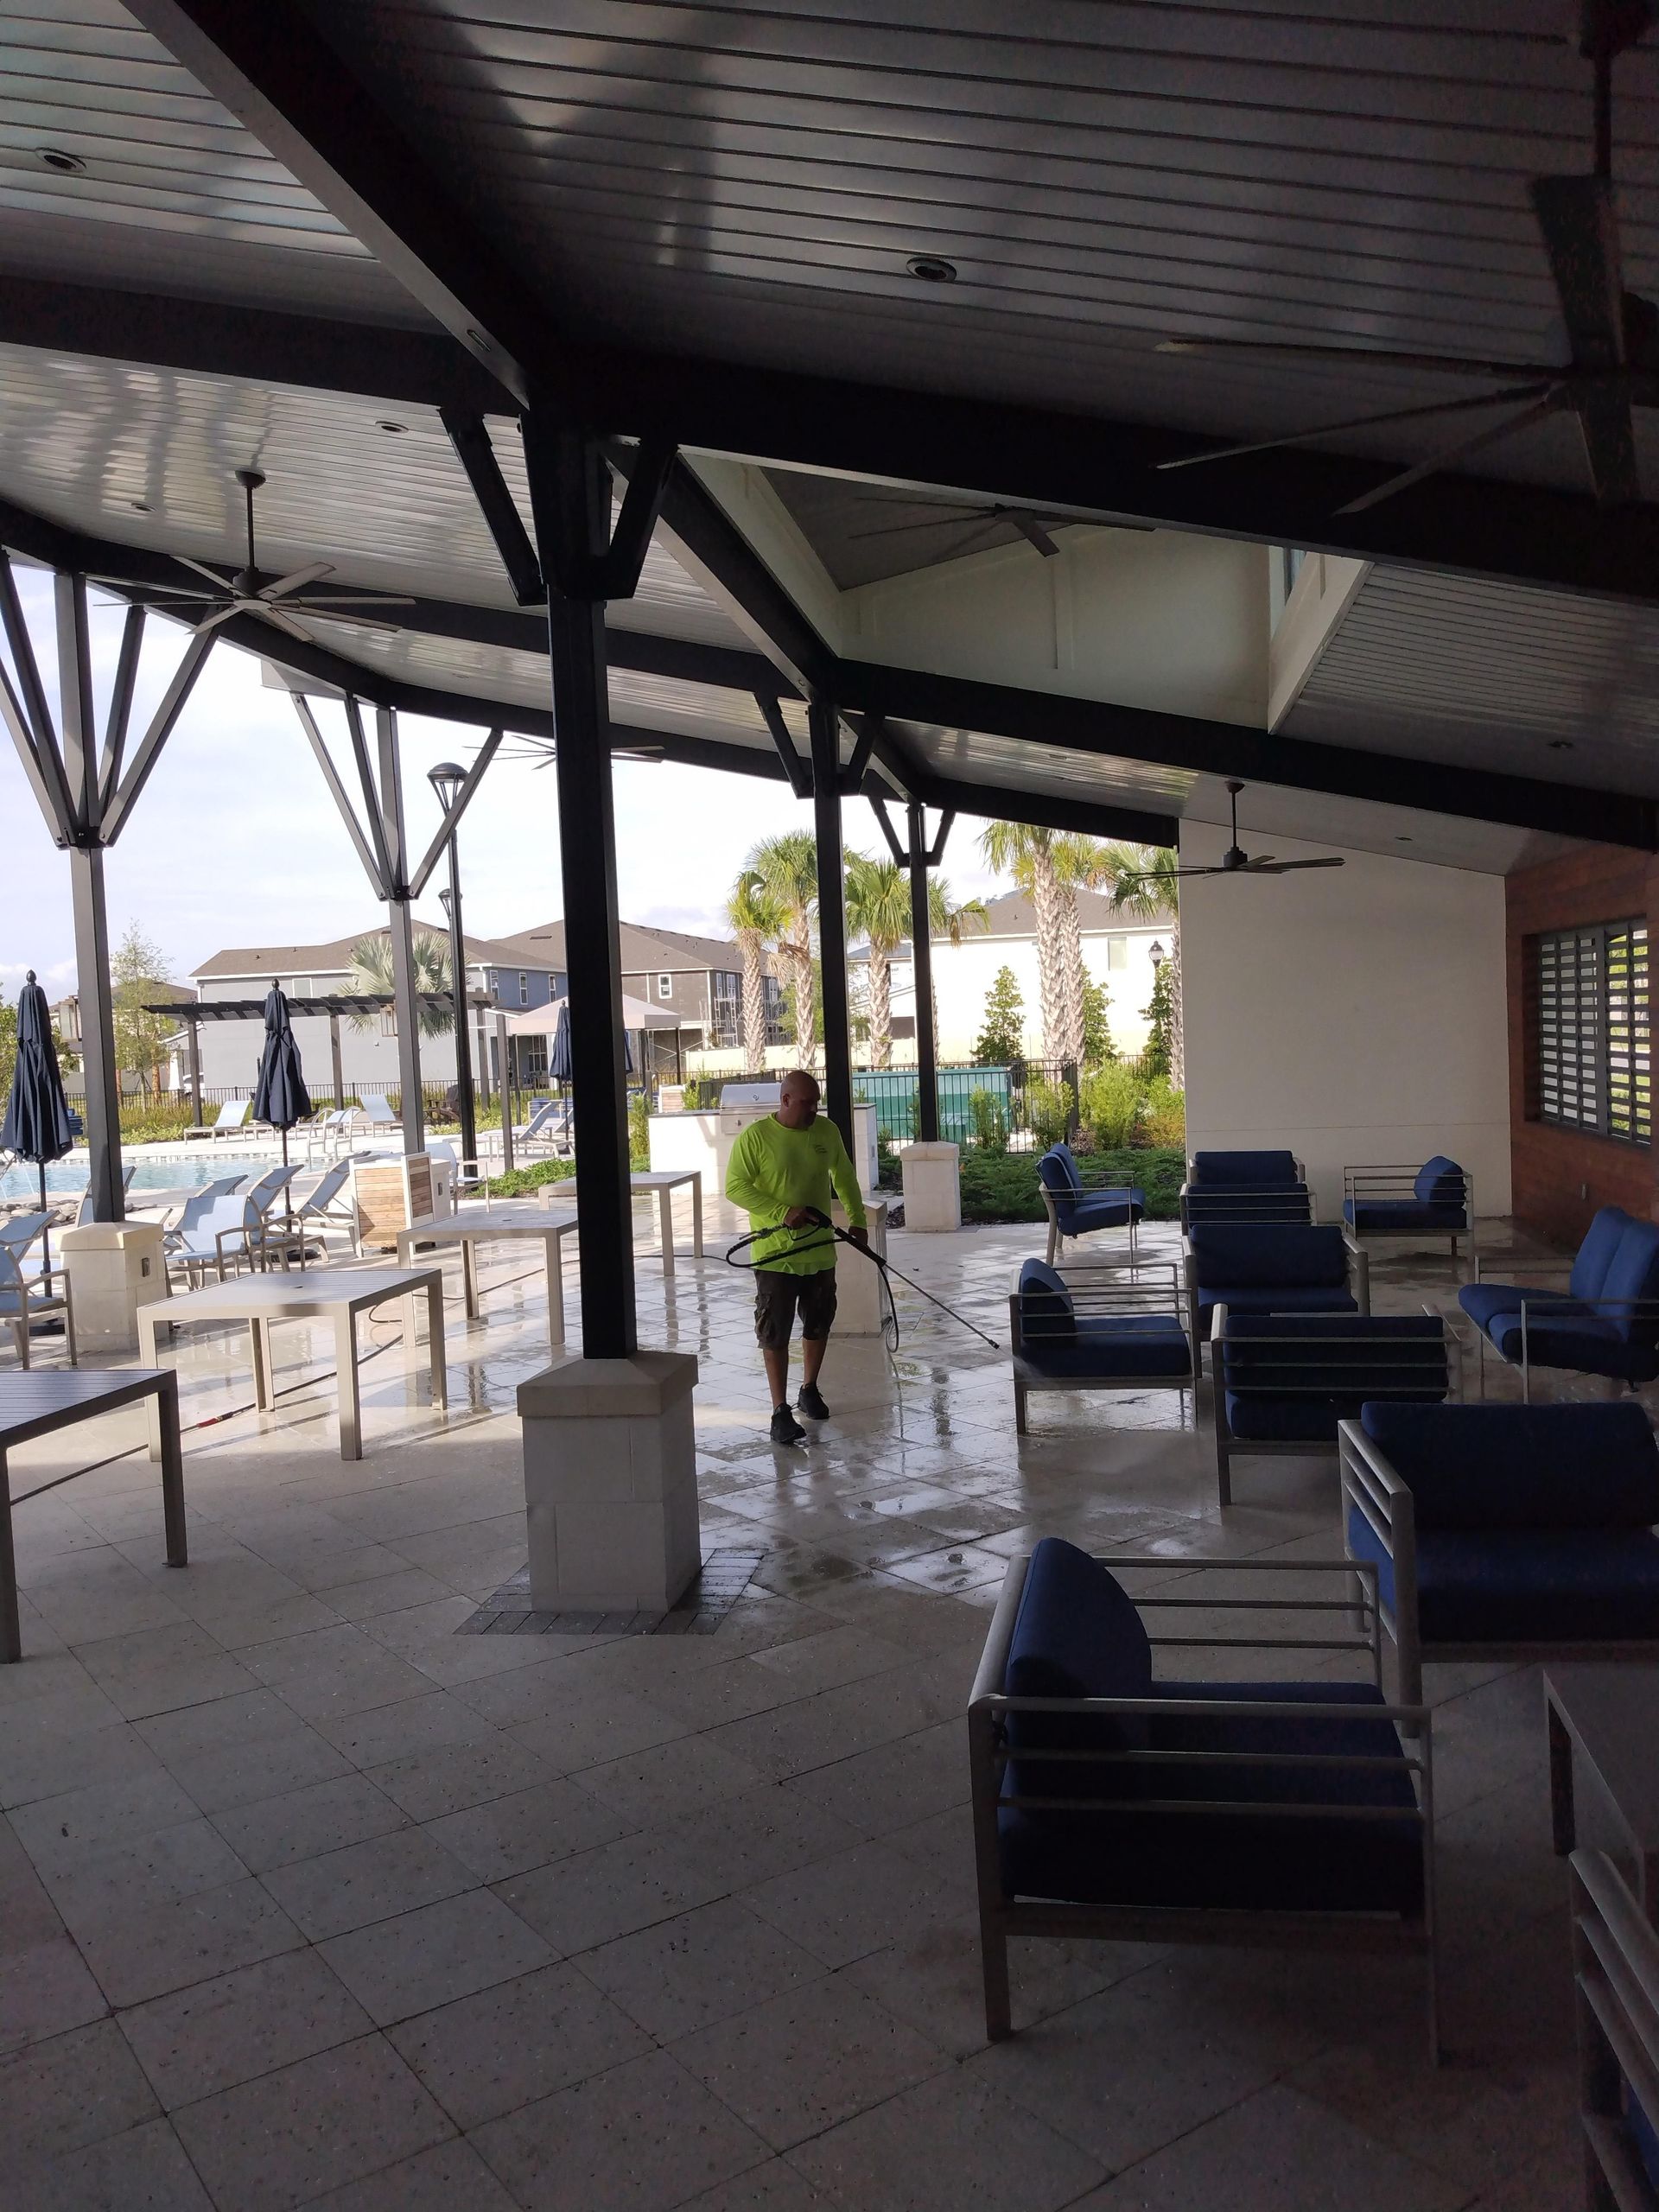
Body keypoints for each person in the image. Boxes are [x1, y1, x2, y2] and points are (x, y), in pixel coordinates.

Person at [724, 1069, 868, 1445]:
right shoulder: (756, 1138)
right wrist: (781, 1212)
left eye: (816, 1101)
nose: (813, 1109)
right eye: (807, 1102)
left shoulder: (826, 1132)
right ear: (785, 1100)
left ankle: (810, 1388)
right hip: (775, 1257)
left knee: (819, 1322)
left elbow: (844, 1176)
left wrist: (857, 1220)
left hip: (819, 1251)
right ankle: (779, 1411)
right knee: (775, 1332)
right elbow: (735, 1187)